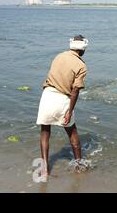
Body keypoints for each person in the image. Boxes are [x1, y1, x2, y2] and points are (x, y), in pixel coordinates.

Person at [36, 35, 89, 178]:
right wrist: (69, 111)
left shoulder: (58, 56)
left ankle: (45, 170)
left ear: (71, 45)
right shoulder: (81, 66)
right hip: (63, 99)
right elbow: (75, 90)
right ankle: (79, 166)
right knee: (72, 133)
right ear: (83, 48)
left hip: (47, 95)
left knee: (45, 132)